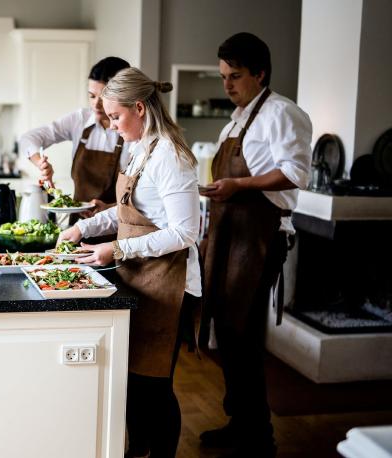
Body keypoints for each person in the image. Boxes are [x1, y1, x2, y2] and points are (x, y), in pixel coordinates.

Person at [58, 67, 201, 458]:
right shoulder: (140, 147)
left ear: (140, 108)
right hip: (141, 277)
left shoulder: (171, 157)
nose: (111, 125)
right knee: (133, 383)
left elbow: (185, 232)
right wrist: (85, 228)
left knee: (155, 387)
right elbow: (124, 213)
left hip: (169, 286)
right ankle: (138, 451)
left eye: (116, 116)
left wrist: (117, 250)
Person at [199, 32, 312, 458]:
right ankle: (239, 423)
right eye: (223, 76)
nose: (227, 85)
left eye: (236, 76)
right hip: (230, 235)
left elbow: (296, 172)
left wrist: (239, 184)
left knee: (243, 338)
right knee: (227, 335)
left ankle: (259, 438)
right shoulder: (237, 120)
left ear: (260, 73)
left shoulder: (283, 113)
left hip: (261, 237)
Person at [18, 57, 131, 217]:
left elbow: (140, 198)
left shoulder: (132, 131)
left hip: (115, 226)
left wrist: (108, 209)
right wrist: (41, 164)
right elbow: (28, 139)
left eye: (104, 97)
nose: (96, 104)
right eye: (92, 96)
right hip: (77, 226)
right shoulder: (80, 119)